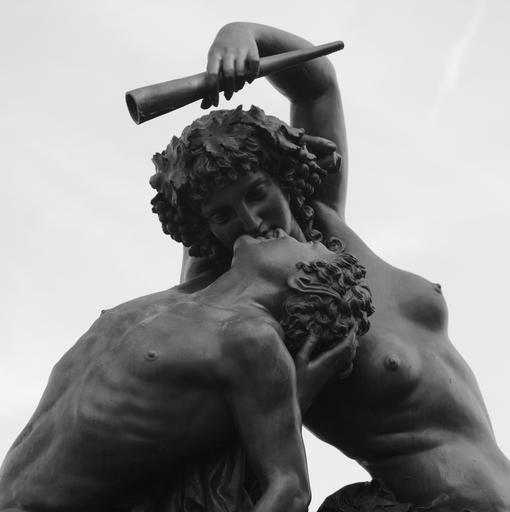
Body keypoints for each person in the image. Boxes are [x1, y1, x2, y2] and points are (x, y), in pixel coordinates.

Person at [151, 22, 510, 511]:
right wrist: (297, 393)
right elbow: (216, 449)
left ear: (284, 179)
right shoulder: (254, 313)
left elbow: (316, 87)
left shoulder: (323, 218)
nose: (251, 221)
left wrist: (242, 34)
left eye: (258, 193)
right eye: (222, 216)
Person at [0, 231, 373, 512]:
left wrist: (297, 394)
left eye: (310, 246)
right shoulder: (172, 299)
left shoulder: (252, 339)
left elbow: (291, 489)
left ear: (303, 280)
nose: (289, 233)